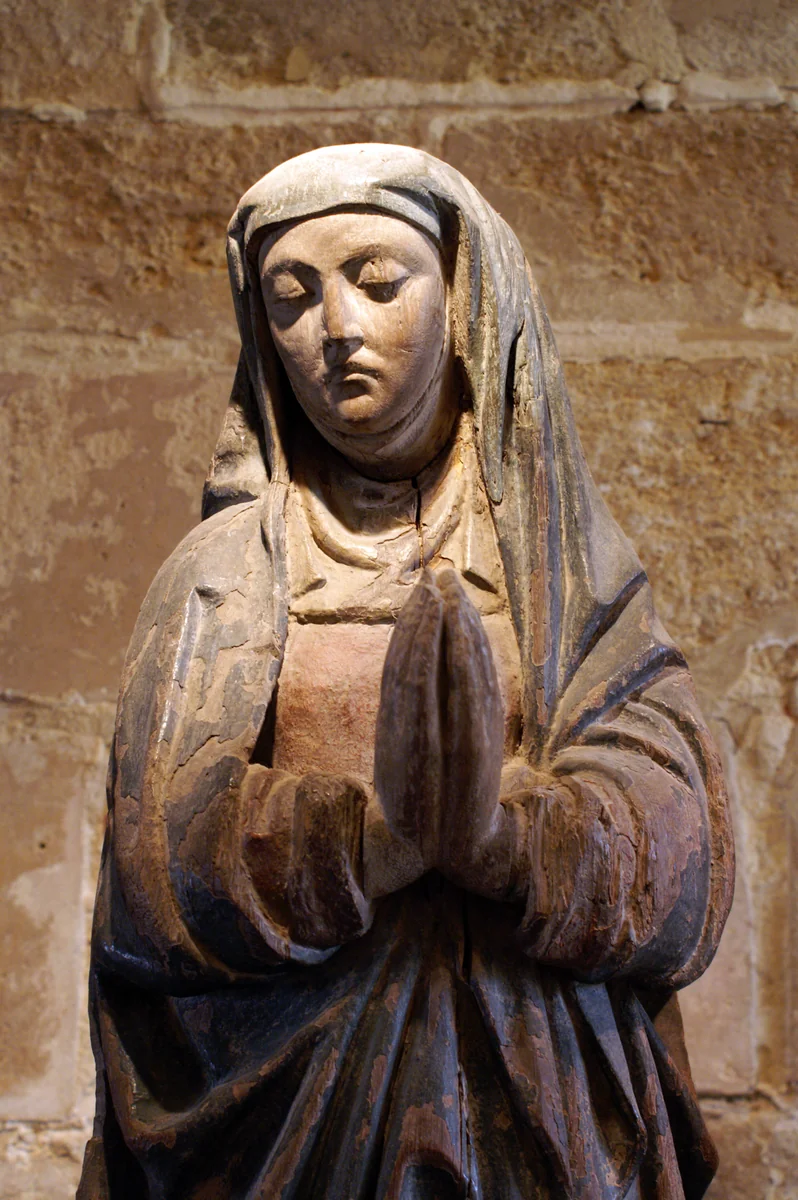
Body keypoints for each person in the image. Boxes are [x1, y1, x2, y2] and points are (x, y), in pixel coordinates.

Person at [78, 144, 734, 1200]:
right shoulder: (224, 573)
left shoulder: (557, 567)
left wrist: (504, 840)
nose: (336, 327)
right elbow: (153, 865)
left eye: (379, 281)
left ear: (463, 295)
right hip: (287, 1097)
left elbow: (679, 829)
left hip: (536, 1075)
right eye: (291, 298)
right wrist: (372, 842)